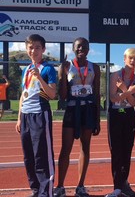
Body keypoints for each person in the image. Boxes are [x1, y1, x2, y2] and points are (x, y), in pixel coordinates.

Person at [54, 37, 101, 197]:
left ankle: (80, 186)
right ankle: (60, 186)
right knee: (65, 149)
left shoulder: (94, 67)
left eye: (84, 47)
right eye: (78, 47)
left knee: (85, 147)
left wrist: (97, 120)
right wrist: (62, 75)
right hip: (72, 111)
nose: (81, 49)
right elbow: (63, 95)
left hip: (88, 110)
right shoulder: (66, 66)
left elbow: (96, 94)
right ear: (74, 49)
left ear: (88, 49)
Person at [15, 34, 57, 197]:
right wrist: (19, 117)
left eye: (37, 47)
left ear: (43, 49)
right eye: (31, 47)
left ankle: (46, 191)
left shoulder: (48, 68)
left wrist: (39, 77)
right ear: (27, 49)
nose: (34, 50)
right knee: (29, 156)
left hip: (40, 115)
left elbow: (52, 94)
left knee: (42, 155)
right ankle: (35, 189)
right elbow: (23, 94)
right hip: (26, 116)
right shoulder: (25, 70)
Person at [105, 48, 135, 197]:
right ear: (125, 59)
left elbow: (133, 103)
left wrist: (124, 90)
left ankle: (124, 184)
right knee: (116, 150)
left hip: (128, 115)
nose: (133, 62)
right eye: (131, 58)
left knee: (127, 150)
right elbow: (113, 98)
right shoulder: (115, 75)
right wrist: (128, 92)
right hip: (115, 114)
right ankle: (117, 187)